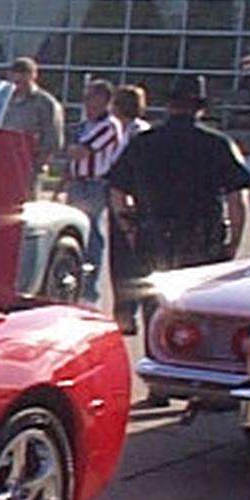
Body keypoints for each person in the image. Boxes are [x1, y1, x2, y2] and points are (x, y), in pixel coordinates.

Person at [109, 74, 250, 327]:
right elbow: (237, 198)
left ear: (169, 105)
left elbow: (117, 190)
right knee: (200, 314)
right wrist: (234, 241)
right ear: (200, 108)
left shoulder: (143, 143)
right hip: (202, 240)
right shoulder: (218, 144)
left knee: (157, 312)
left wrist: (129, 229)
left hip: (153, 237)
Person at [63, 79, 122, 305]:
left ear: (105, 100)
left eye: (92, 98)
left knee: (91, 234)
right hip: (78, 182)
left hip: (95, 184)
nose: (87, 103)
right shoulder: (85, 125)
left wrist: (71, 150)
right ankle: (75, 281)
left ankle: (89, 289)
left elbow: (81, 151)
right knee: (75, 232)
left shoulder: (109, 126)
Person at [106, 84, 152, 331]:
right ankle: (123, 312)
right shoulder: (117, 129)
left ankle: (129, 311)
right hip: (119, 194)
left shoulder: (140, 133)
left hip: (132, 198)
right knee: (119, 260)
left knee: (131, 259)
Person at [1, 56, 64, 195]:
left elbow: (53, 139)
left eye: (23, 76)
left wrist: (38, 163)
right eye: (15, 77)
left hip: (29, 165)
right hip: (3, 163)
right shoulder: (3, 100)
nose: (18, 82)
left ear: (33, 75)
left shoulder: (46, 103)